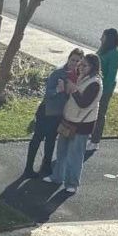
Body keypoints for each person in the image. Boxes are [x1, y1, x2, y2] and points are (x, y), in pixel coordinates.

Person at [48, 52, 102, 195]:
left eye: (85, 65)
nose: (81, 67)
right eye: (80, 64)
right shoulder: (80, 77)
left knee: (75, 155)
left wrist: (73, 89)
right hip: (69, 119)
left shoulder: (95, 83)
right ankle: (57, 177)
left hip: (81, 124)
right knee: (61, 151)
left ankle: (72, 183)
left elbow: (84, 103)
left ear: (93, 67)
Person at [25, 48, 81, 178]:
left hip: (59, 115)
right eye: (73, 59)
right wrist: (58, 89)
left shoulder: (78, 77)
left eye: (78, 61)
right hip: (46, 112)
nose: (74, 63)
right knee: (37, 139)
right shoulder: (58, 73)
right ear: (68, 59)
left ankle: (46, 166)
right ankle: (28, 168)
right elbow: (48, 93)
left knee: (51, 140)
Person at [92, 29, 118, 149]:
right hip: (96, 84)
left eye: (103, 37)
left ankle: (95, 141)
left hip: (105, 88)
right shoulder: (103, 49)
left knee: (100, 113)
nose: (100, 39)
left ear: (108, 38)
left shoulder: (115, 54)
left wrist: (104, 91)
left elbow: (111, 75)